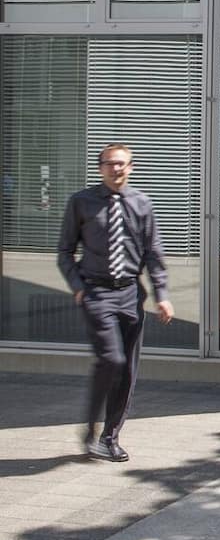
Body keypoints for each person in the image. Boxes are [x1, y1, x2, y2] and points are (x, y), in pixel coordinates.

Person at [57, 144, 173, 463]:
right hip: (96, 293)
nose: (116, 168)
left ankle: (109, 437)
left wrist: (162, 295)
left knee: (127, 369)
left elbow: (153, 254)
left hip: (131, 294)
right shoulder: (81, 202)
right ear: (100, 168)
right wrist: (78, 288)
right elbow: (65, 251)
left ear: (131, 167)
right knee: (112, 359)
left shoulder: (142, 203)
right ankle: (90, 430)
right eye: (110, 163)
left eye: (122, 163)